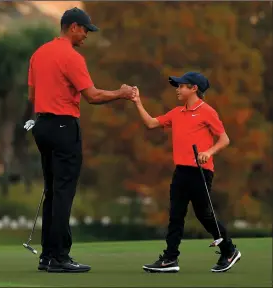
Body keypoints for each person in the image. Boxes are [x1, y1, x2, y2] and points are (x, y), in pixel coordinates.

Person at [27, 7, 135, 273]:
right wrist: (121, 93)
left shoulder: (39, 53)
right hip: (64, 125)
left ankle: (47, 256)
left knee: (52, 190)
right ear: (73, 27)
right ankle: (60, 257)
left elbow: (32, 95)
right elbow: (93, 96)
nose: (87, 35)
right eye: (86, 29)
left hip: (42, 125)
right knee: (64, 191)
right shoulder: (71, 57)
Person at [132, 72, 241, 273]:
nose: (177, 89)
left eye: (181, 86)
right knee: (175, 215)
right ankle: (170, 258)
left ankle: (229, 250)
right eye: (178, 86)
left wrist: (208, 152)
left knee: (204, 215)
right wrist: (138, 102)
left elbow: (224, 139)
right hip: (181, 171)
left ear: (194, 89)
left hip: (200, 171)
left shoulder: (207, 111)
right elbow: (151, 123)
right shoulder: (176, 112)